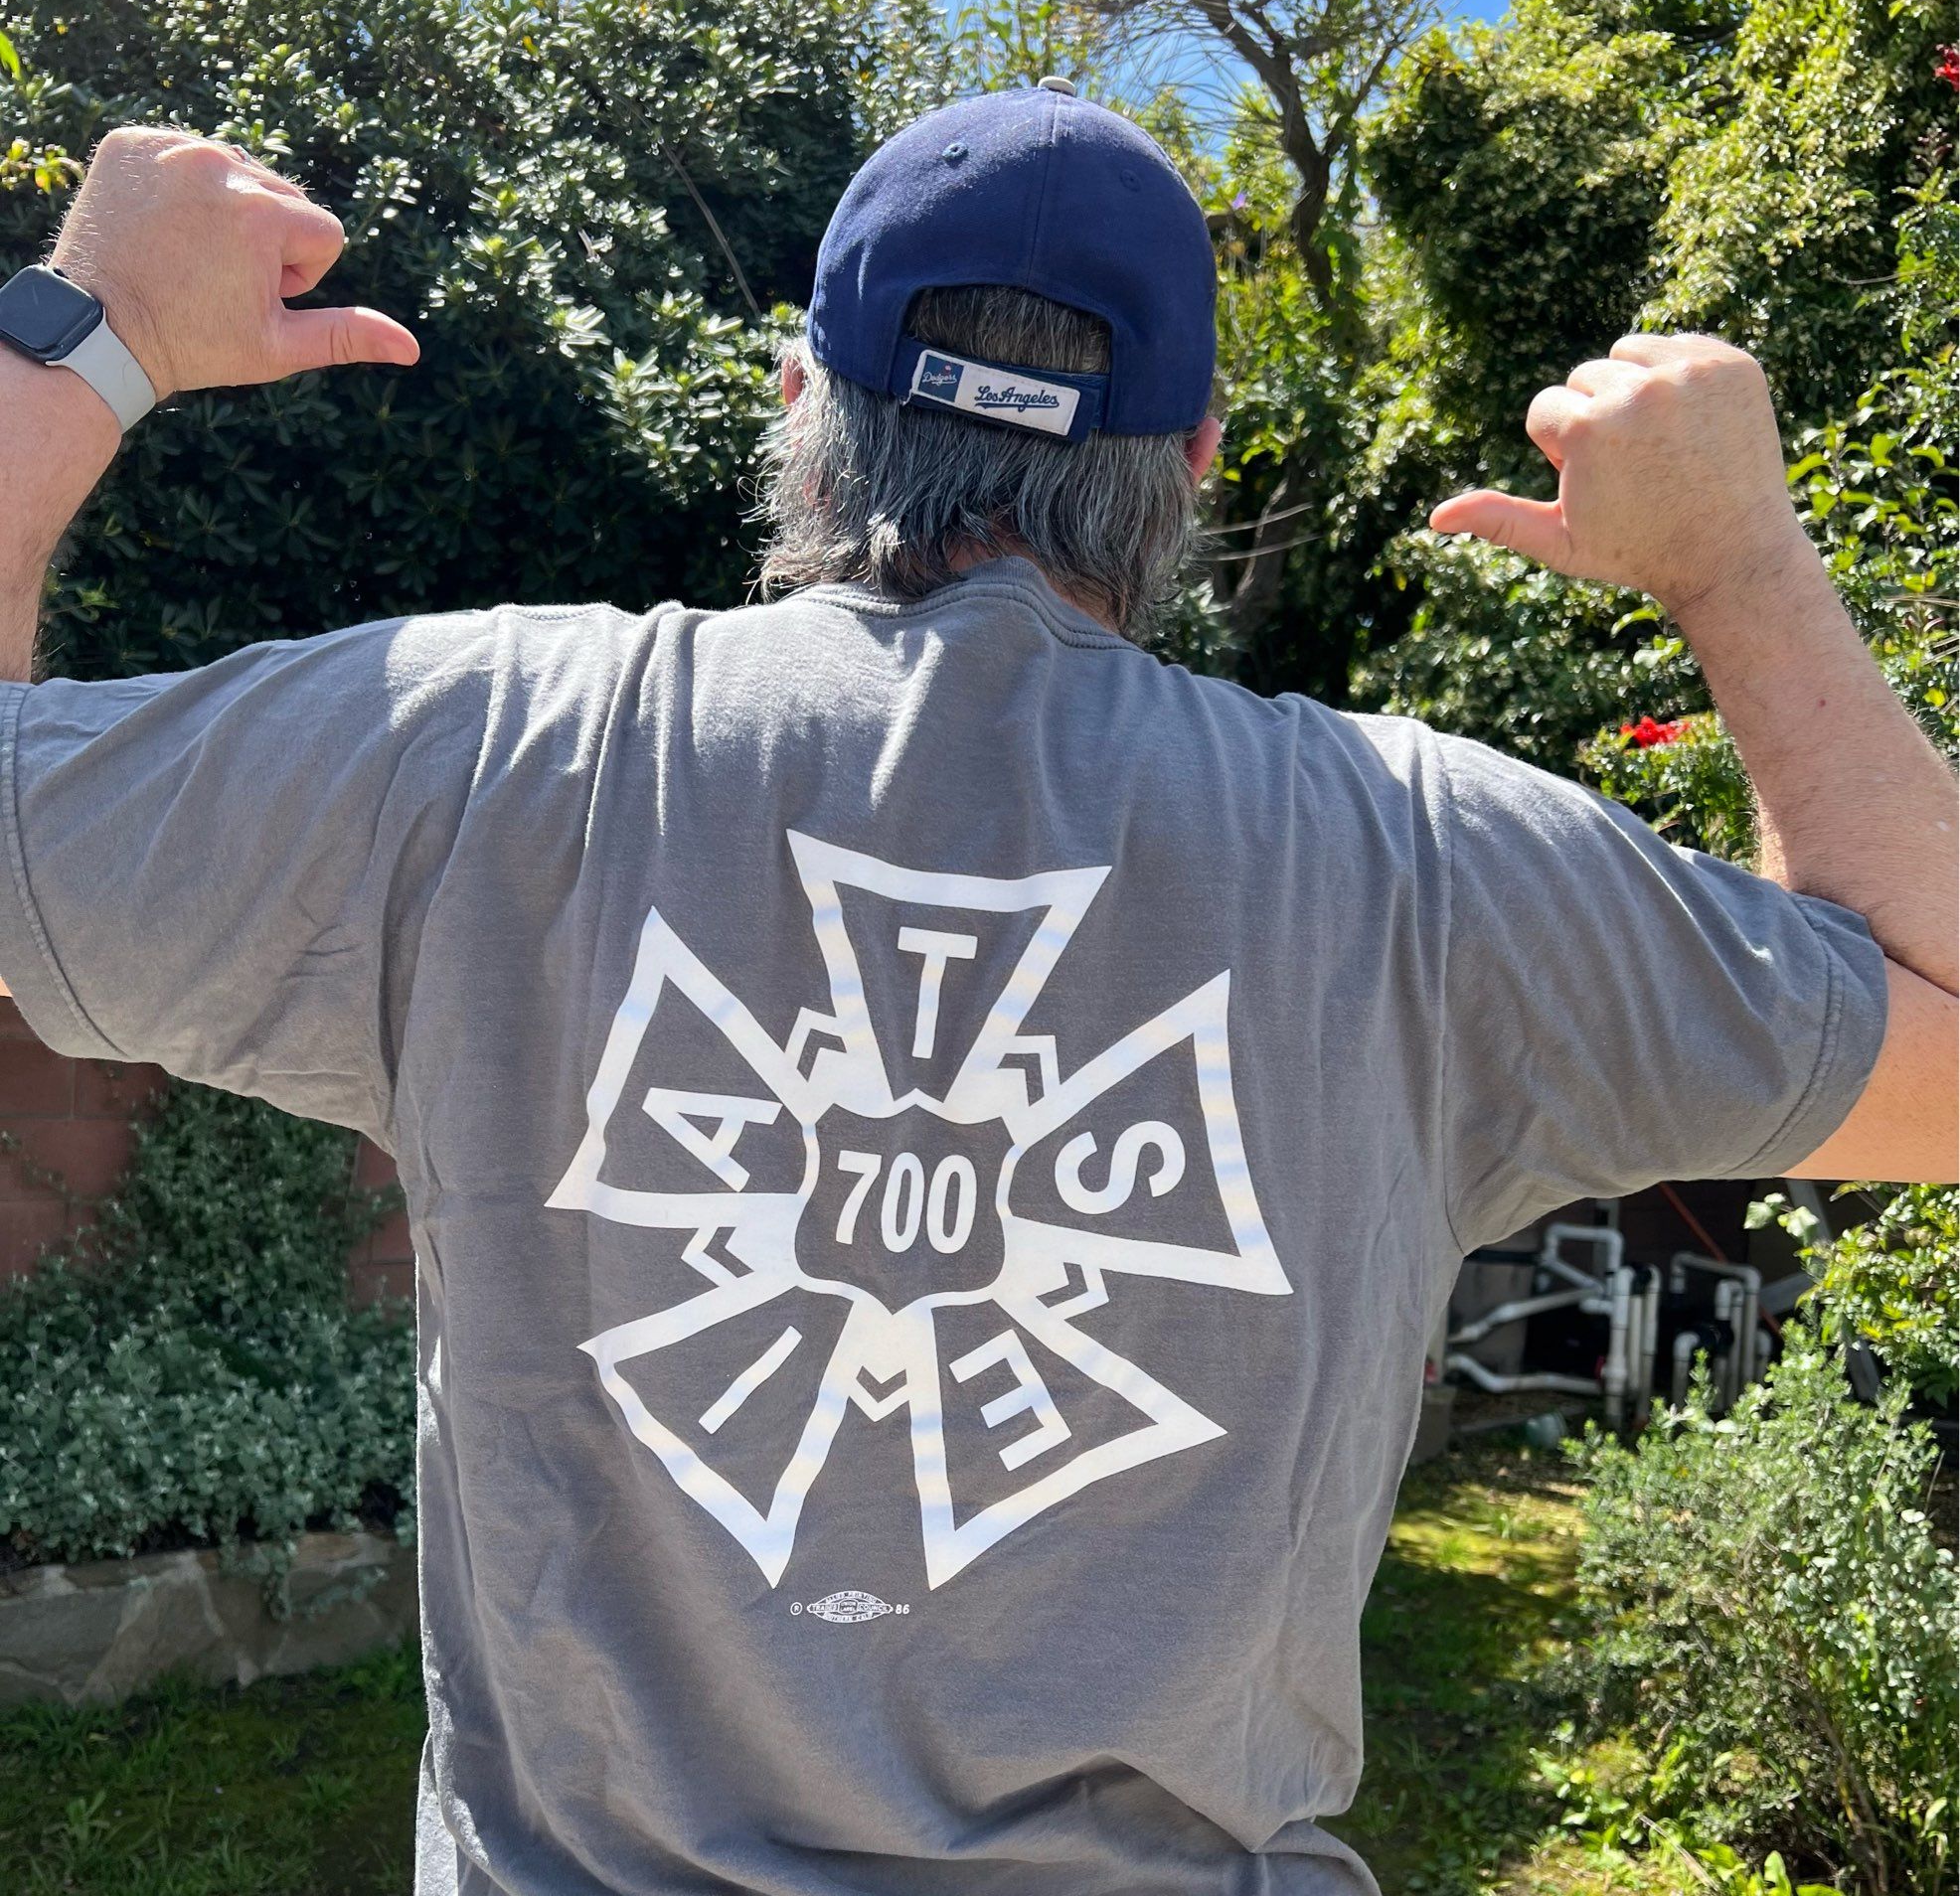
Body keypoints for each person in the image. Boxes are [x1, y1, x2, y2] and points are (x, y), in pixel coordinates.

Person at [0, 91, 1950, 1896]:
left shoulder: (473, 749)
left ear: (798, 402)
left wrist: (89, 335)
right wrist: (1736, 561)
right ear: (1189, 461)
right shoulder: (1418, 861)